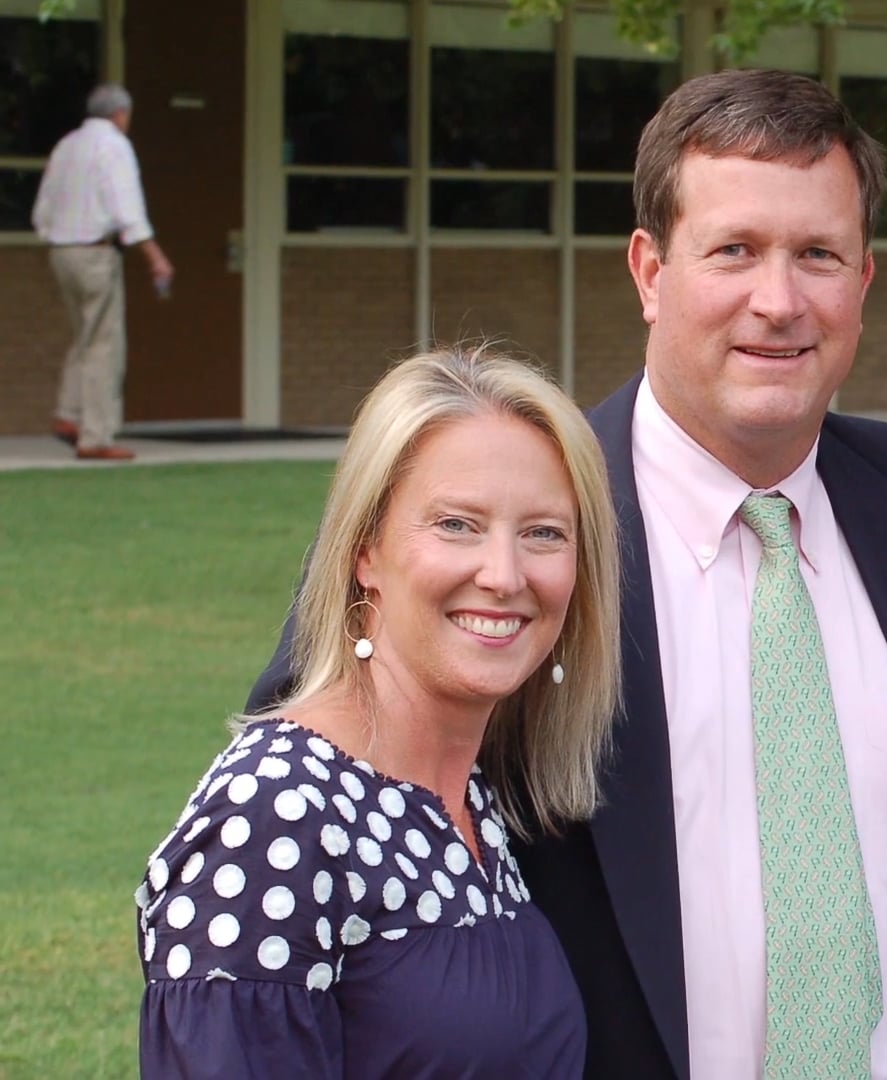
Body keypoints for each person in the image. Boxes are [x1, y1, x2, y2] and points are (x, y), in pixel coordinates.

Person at [248, 69, 887, 1079]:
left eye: (818, 256)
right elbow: (305, 803)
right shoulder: (511, 525)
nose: (778, 300)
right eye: (735, 251)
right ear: (650, 270)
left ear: (865, 282)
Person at [140, 348, 621, 1075]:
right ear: (366, 550)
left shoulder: (471, 803)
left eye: (544, 533)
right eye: (457, 524)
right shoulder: (276, 815)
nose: (504, 574)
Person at [31, 83, 172, 462]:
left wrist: (56, 236)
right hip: (95, 251)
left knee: (84, 333)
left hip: (61, 252)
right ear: (121, 114)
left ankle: (68, 414)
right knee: (103, 343)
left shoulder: (66, 145)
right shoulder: (113, 145)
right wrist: (154, 254)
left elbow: (42, 209)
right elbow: (127, 205)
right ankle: (95, 436)